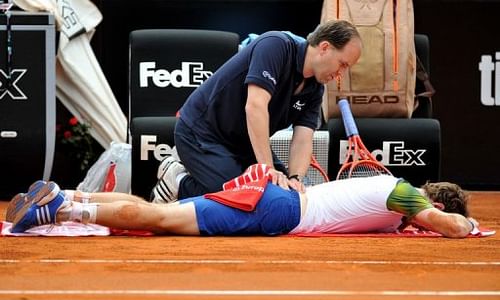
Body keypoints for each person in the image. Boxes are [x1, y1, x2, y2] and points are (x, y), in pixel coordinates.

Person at [151, 20, 363, 203]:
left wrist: (295, 178)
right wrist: (267, 169)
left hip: (245, 144)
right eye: (342, 64)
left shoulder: (316, 89)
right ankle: (177, 180)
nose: (340, 75)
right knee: (243, 195)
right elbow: (255, 107)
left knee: (283, 195)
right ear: (324, 47)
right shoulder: (275, 45)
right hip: (200, 133)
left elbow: (303, 139)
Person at [6, 174, 478, 238]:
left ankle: (71, 193)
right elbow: (452, 227)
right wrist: (465, 223)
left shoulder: (391, 208)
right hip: (277, 211)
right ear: (431, 200)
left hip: (275, 200)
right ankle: (59, 210)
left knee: (155, 208)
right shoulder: (406, 195)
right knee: (161, 219)